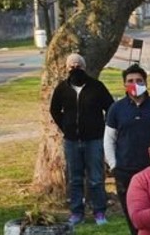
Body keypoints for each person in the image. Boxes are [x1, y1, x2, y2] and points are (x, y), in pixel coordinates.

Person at [104, 64, 150, 235]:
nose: (135, 84)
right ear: (124, 84)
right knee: (132, 213)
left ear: (146, 82)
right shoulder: (116, 109)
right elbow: (109, 139)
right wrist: (114, 165)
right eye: (130, 81)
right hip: (125, 170)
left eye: (139, 81)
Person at [49, 53, 114, 225]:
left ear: (84, 67)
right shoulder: (62, 88)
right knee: (75, 178)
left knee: (95, 178)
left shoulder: (97, 87)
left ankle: (99, 211)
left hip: (94, 140)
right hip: (71, 141)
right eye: (71, 66)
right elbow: (54, 110)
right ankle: (76, 212)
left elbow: (111, 108)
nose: (75, 68)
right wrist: (66, 127)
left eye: (78, 65)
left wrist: (104, 128)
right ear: (67, 69)